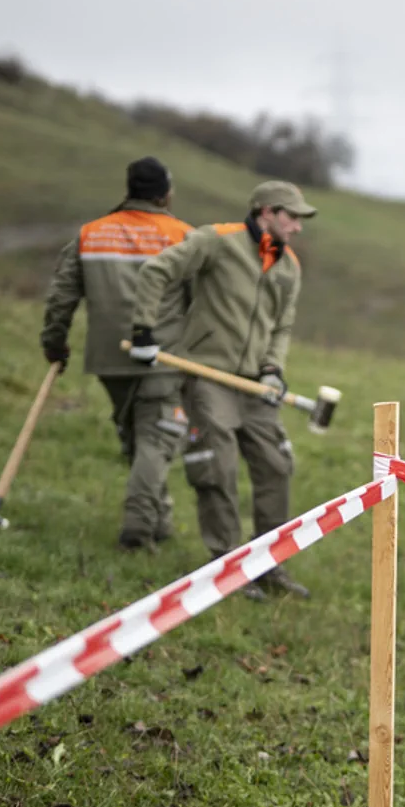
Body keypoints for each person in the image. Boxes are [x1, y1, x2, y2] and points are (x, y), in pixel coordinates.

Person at [128, 179, 317, 601]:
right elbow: (157, 271)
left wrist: (273, 368)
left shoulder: (289, 266)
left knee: (276, 466)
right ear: (266, 211)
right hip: (207, 376)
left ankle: (268, 565)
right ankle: (227, 569)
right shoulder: (217, 240)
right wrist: (143, 328)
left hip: (255, 385)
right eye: (293, 216)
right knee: (218, 467)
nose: (299, 227)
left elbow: (281, 325)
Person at [38, 156, 193, 551]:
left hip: (108, 359)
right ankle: (139, 530)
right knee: (157, 440)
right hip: (164, 357)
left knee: (138, 438)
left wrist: (55, 343)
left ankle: (160, 520)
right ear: (164, 193)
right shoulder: (183, 236)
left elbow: (62, 296)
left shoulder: (91, 234)